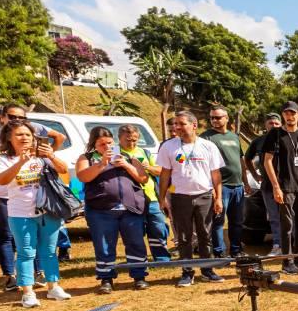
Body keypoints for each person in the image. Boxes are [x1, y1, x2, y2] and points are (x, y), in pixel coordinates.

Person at [0, 103, 67, 292]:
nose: (17, 122)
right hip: (3, 198)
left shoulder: (37, 146)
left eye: (22, 119)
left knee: (43, 243)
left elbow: (62, 170)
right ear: (2, 118)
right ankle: (11, 277)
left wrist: (52, 154)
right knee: (8, 238)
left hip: (40, 202)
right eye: (13, 117)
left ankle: (42, 276)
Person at [0, 120, 72, 307]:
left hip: (48, 210)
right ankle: (28, 293)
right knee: (26, 252)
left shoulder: (42, 155)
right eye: (19, 135)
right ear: (9, 138)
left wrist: (51, 155)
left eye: (28, 135)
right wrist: (20, 162)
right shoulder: (3, 157)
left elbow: (62, 170)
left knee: (50, 251)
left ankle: (53, 287)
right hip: (20, 213)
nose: (24, 138)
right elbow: (1, 180)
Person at [77, 126, 150, 294]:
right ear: (94, 145)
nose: (107, 147)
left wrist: (126, 165)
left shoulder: (126, 156)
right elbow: (83, 177)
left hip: (130, 208)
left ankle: (139, 276)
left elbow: (143, 178)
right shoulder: (87, 158)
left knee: (135, 242)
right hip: (100, 209)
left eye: (109, 143)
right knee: (104, 244)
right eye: (102, 144)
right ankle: (106, 279)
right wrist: (102, 163)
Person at [157, 112, 224, 288]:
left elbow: (216, 175)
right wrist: (162, 198)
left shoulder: (208, 146)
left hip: (204, 196)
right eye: (176, 124)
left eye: (182, 124)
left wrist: (219, 198)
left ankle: (207, 270)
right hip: (180, 198)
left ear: (194, 125)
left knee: (205, 235)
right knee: (184, 237)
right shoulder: (169, 146)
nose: (177, 127)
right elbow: (165, 175)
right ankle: (187, 272)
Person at [261, 102, 298, 274]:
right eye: (286, 113)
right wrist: (276, 187)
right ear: (283, 115)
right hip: (285, 187)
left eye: (293, 113)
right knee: (287, 226)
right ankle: (287, 262)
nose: (290, 116)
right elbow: (267, 161)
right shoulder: (275, 134)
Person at [117, 124, 171, 262]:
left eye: (135, 140)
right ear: (119, 138)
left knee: (159, 228)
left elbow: (161, 171)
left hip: (151, 198)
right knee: (135, 233)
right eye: (128, 140)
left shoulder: (144, 152)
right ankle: (139, 261)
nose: (131, 143)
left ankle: (162, 259)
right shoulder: (115, 154)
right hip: (130, 201)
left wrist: (148, 167)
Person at [203, 105, 246, 258]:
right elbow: (205, 165)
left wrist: (245, 182)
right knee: (218, 221)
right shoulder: (206, 137)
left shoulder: (234, 136)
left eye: (218, 117)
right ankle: (219, 253)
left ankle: (236, 251)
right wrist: (214, 190)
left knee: (237, 221)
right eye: (212, 118)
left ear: (226, 118)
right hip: (221, 187)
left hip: (238, 186)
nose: (214, 120)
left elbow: (241, 160)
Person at [244, 113, 284, 254]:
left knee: (291, 216)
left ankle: (294, 245)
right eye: (270, 123)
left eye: (276, 123)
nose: (273, 126)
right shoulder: (258, 141)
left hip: (288, 184)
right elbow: (247, 159)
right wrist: (255, 175)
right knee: (273, 216)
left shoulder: (287, 138)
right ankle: (278, 244)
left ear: (281, 124)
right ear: (265, 125)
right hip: (268, 185)